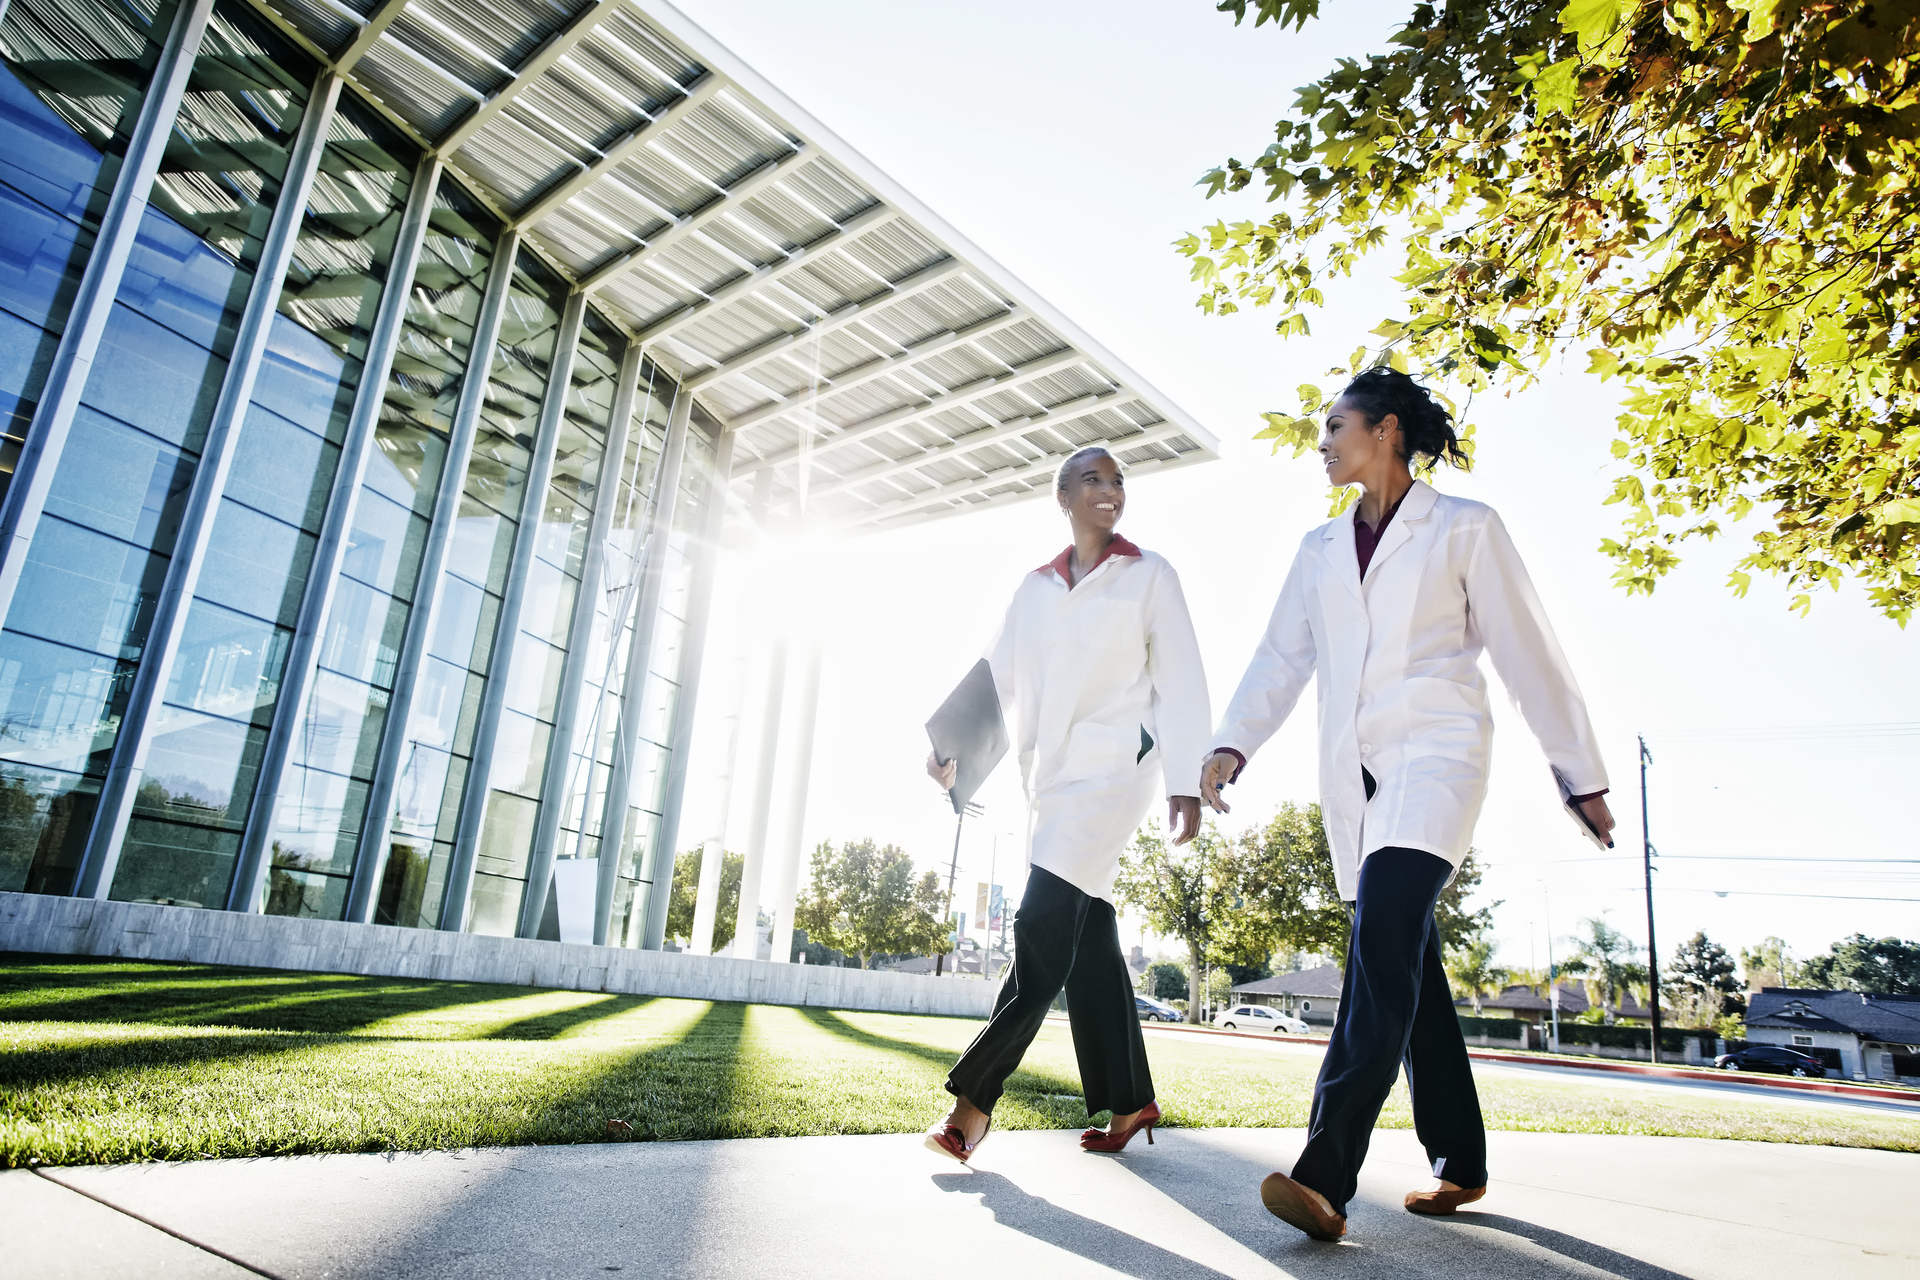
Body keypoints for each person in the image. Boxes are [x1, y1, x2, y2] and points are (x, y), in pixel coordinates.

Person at [1200, 367, 1613, 1241]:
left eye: (1335, 425)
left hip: (1438, 757)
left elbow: (1527, 650)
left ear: (1386, 430)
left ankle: (1326, 1174)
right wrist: (1232, 744)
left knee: (1382, 940)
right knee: (1407, 970)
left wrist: (1580, 773)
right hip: (1353, 777)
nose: (1323, 441)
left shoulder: (1464, 529)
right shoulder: (1318, 551)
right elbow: (1280, 660)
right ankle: (1460, 1160)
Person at [923, 445, 1209, 1163]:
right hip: (1050, 783)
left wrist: (1185, 776)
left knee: (1040, 925)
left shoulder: (1150, 576)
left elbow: (1181, 678)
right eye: (1093, 479)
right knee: (1088, 942)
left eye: (1118, 480)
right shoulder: (1035, 589)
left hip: (1118, 770)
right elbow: (997, 677)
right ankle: (1131, 1099)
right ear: (1064, 497)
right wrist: (949, 747)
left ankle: (973, 1103)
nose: (1109, 490)